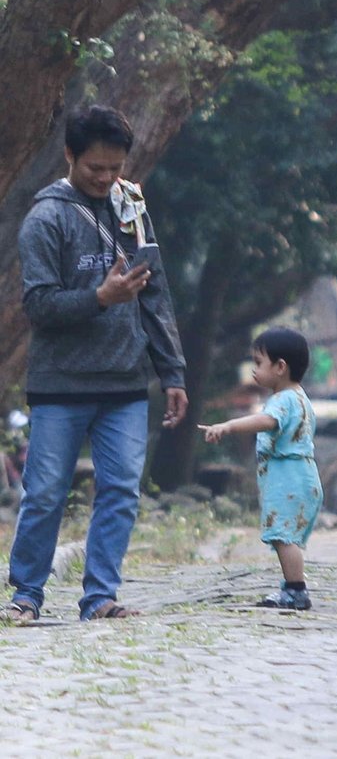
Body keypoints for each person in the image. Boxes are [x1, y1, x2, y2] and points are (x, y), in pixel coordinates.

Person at [5, 104, 188, 623]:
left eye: (115, 169)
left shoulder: (131, 207)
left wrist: (171, 372)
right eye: (95, 169)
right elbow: (38, 305)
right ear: (69, 155)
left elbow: (156, 295)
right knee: (44, 493)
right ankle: (26, 596)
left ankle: (100, 596)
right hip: (60, 383)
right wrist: (100, 297)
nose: (106, 178)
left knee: (121, 491)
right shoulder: (46, 219)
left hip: (126, 382)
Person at [199, 326, 323, 610]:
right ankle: (291, 587)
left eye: (258, 363)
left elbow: (267, 421)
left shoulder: (282, 400)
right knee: (286, 536)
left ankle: (296, 591)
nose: (253, 369)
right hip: (301, 475)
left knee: (284, 536)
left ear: (280, 367)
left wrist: (229, 426)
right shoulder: (300, 397)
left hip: (289, 478)